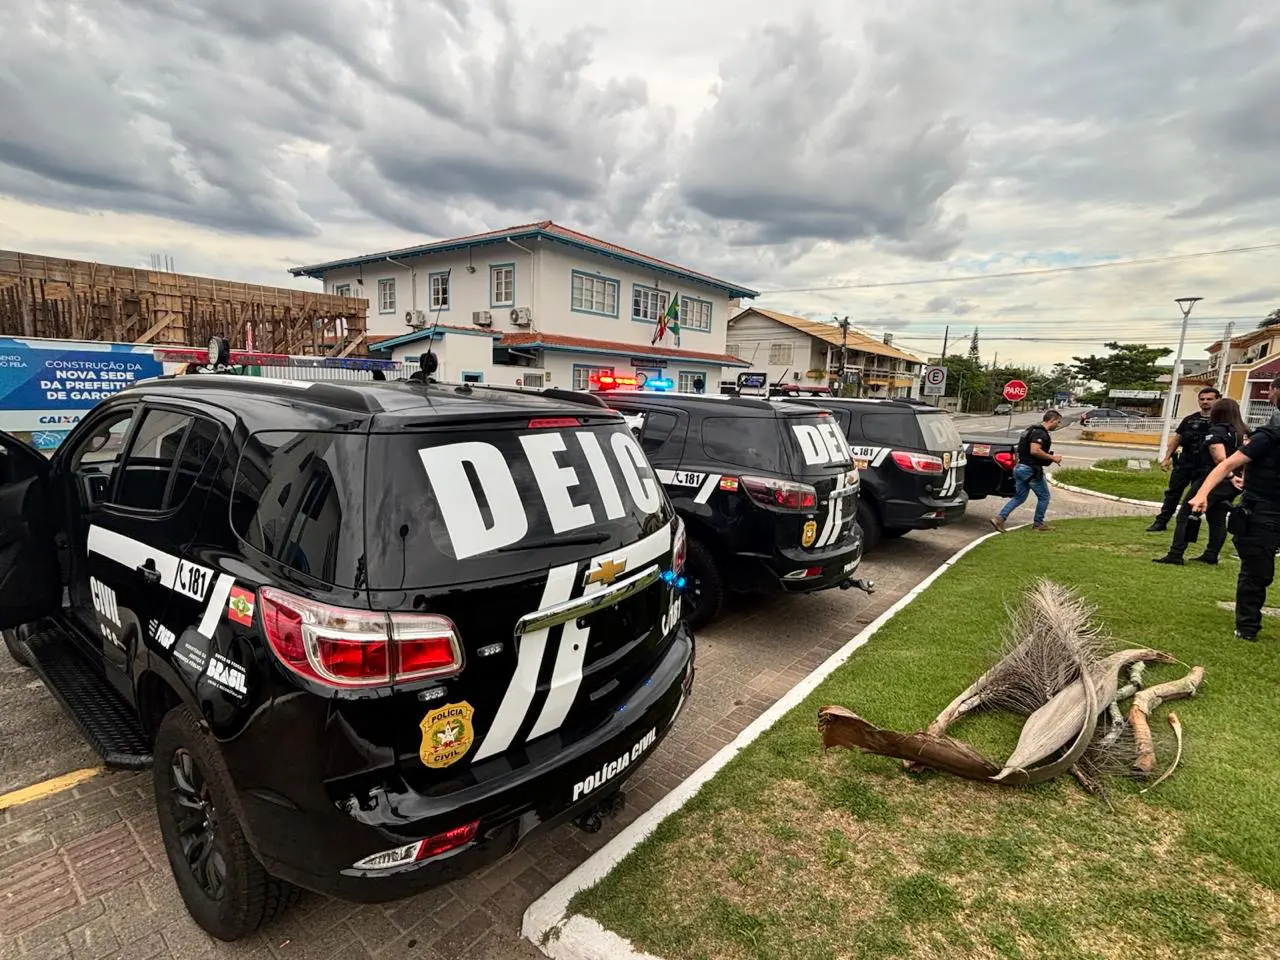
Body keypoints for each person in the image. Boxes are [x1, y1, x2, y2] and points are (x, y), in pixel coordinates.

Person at [1188, 412, 1280, 641]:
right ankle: (1247, 628)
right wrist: (1202, 494)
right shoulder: (1269, 437)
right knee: (1258, 571)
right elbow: (1227, 463)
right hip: (1262, 510)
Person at [1153, 397, 1246, 566]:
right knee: (1217, 516)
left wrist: (1230, 475)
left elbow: (1220, 458)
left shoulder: (1217, 431)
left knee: (1185, 515)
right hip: (1233, 483)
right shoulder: (1242, 431)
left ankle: (1176, 553)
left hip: (1215, 478)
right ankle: (1211, 554)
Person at [1148, 387, 1220, 532]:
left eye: (1209, 399)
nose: (1205, 402)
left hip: (1205, 466)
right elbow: (1177, 440)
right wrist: (1167, 458)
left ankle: (1188, 526)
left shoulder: (1220, 422)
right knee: (1172, 493)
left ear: (1217, 400)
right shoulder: (1190, 419)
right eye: (1202, 399)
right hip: (1185, 462)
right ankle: (1161, 522)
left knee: (1196, 497)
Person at [991, 410, 1063, 533]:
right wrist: (1052, 458)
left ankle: (999, 518)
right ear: (1051, 420)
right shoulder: (1040, 433)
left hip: (1021, 468)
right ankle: (1038, 524)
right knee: (1044, 497)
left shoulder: (1030, 430)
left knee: (1019, 497)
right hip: (1030, 470)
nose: (1058, 425)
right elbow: (1035, 450)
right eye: (1058, 422)